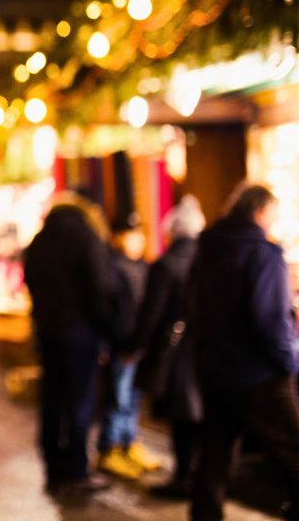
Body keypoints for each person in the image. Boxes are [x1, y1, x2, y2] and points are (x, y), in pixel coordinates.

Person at [189, 184, 299, 521]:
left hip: (216, 367)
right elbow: (269, 318)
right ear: (261, 212)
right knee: (294, 449)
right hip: (259, 373)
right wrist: (289, 361)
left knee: (215, 456)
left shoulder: (207, 248)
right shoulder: (261, 253)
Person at [22, 193, 114, 495]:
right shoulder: (86, 237)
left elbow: (30, 282)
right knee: (80, 400)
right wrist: (104, 328)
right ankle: (76, 469)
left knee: (52, 398)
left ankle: (54, 467)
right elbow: (99, 287)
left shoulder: (39, 241)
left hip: (48, 331)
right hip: (80, 331)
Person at [128, 194, 205, 498]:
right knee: (200, 415)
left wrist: (135, 347)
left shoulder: (166, 265)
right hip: (207, 347)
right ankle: (198, 476)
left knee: (181, 416)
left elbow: (151, 313)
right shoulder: (210, 260)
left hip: (175, 350)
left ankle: (184, 476)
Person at [97, 211, 161, 480]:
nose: (136, 240)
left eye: (139, 234)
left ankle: (128, 443)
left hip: (139, 344)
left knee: (133, 398)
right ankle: (109, 449)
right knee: (118, 398)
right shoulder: (110, 268)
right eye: (130, 234)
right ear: (117, 238)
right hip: (120, 346)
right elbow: (108, 312)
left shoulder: (145, 268)